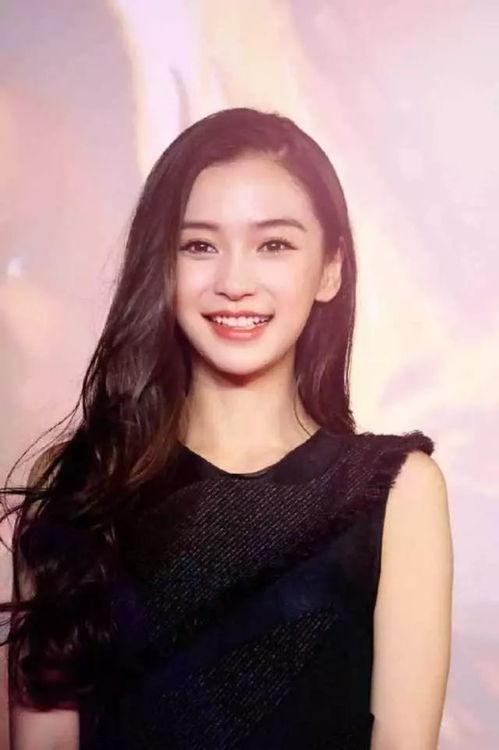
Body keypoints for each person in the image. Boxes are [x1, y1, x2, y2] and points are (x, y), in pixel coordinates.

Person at [0, 107, 453, 749]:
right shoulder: (78, 483)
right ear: (161, 266)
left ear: (330, 268)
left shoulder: (397, 493)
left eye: (274, 245)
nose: (234, 282)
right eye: (200, 246)